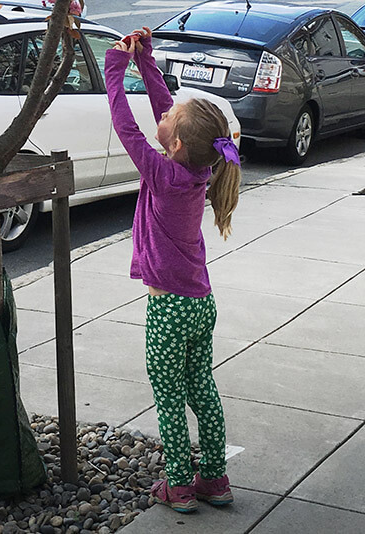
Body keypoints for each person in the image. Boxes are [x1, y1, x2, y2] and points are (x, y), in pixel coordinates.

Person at [105, 26, 241, 514]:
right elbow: (172, 114)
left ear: (177, 141)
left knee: (168, 397)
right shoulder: (199, 168)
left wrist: (116, 67)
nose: (161, 114)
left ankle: (179, 486)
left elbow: (126, 128)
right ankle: (215, 479)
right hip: (201, 304)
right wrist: (147, 62)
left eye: (167, 119)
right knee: (201, 387)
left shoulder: (162, 173)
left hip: (168, 310)